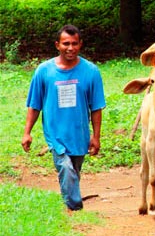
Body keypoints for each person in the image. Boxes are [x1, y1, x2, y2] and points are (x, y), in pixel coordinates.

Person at [21, 24, 106, 211]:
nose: (70, 48)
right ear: (57, 45)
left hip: (79, 134)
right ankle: (75, 208)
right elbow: (35, 105)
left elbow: (96, 107)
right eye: (66, 43)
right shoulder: (44, 71)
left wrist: (96, 136)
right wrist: (27, 133)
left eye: (74, 43)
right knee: (66, 169)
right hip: (55, 134)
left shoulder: (91, 71)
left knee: (73, 172)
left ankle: (68, 205)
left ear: (80, 44)